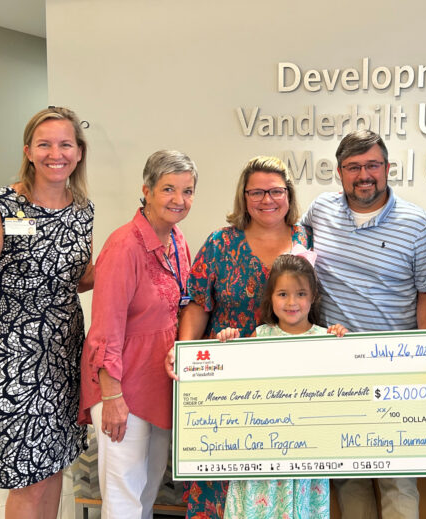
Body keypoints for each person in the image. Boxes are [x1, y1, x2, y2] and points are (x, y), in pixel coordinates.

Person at [0, 106, 94, 518]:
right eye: (45, 144)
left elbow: (75, 278)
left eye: (65, 144)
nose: (56, 153)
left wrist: (124, 266)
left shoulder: (82, 208)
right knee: (27, 482)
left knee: (53, 471)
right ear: (29, 151)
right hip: (10, 360)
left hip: (63, 359)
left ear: (79, 152)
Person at [300, 129, 426, 519]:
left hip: (393, 366)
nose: (364, 175)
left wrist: (423, 357)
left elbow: (425, 295)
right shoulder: (320, 211)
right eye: (353, 167)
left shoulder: (418, 224)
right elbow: (297, 256)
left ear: (387, 168)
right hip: (336, 364)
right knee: (349, 475)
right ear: (339, 171)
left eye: (372, 165)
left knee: (398, 478)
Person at [166, 156, 312, 518]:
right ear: (243, 197)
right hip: (226, 380)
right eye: (257, 192)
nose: (267, 200)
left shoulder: (305, 239)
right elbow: (198, 302)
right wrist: (183, 351)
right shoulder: (220, 242)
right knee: (221, 480)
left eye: (276, 191)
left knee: (273, 487)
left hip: (287, 384)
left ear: (289, 194)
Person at [78, 150, 197, 518]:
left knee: (147, 490)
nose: (179, 200)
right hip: (121, 386)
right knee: (123, 495)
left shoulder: (177, 239)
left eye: (188, 191)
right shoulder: (124, 245)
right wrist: (112, 397)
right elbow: (105, 331)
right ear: (146, 190)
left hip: (158, 383)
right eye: (168, 189)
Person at [216, 253, 347, 519]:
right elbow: (233, 387)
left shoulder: (328, 338)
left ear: (313, 297)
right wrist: (227, 345)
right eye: (282, 294)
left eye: (300, 294)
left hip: (305, 463)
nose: (292, 302)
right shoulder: (259, 336)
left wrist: (344, 345)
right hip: (258, 459)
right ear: (271, 298)